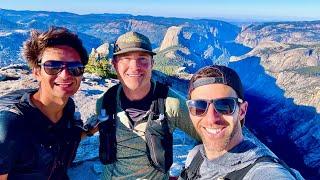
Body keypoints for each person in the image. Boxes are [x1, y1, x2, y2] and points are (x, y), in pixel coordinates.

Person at [96, 31, 200, 179]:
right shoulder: (105, 102)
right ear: (115, 64)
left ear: (152, 63)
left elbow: (209, 136)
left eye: (142, 59)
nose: (135, 66)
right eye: (126, 59)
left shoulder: (171, 104)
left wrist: (189, 174)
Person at [179, 65, 303, 179]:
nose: (211, 119)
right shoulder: (194, 157)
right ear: (190, 111)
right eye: (199, 106)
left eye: (225, 105)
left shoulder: (262, 172)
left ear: (242, 111)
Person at [0, 27, 88, 179]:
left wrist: (92, 130)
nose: (65, 75)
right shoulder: (11, 125)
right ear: (37, 72)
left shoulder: (68, 108)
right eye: (53, 67)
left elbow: (61, 137)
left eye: (74, 68)